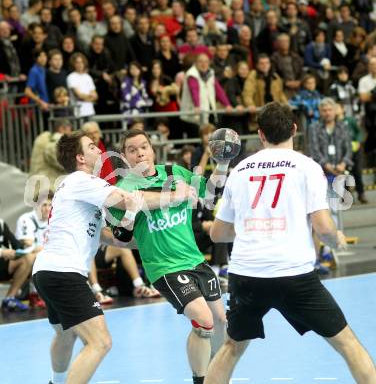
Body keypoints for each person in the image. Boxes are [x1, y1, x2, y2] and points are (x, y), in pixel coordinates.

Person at [204, 102, 376, 384]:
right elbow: (323, 227)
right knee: (348, 344)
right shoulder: (307, 167)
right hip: (294, 276)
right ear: (295, 129)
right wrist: (337, 239)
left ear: (260, 134)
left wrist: (251, 227)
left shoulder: (240, 170)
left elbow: (219, 234)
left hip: (247, 275)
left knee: (231, 348)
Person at [31, 130, 196, 384]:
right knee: (100, 342)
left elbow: (111, 237)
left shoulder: (80, 190)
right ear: (80, 158)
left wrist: (152, 242)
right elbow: (131, 200)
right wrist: (177, 196)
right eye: (92, 147)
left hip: (48, 271)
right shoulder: (82, 180)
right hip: (63, 273)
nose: (100, 150)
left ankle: (56, 380)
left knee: (66, 333)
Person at [108, 129, 228, 384]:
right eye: (132, 149)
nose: (140, 152)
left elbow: (208, 195)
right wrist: (174, 197)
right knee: (204, 319)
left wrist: (223, 164)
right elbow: (123, 234)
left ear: (152, 149)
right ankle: (201, 379)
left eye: (144, 146)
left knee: (220, 322)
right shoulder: (123, 189)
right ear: (124, 157)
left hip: (194, 260)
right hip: (165, 268)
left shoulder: (174, 173)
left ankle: (216, 376)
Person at [0, 217, 33, 311]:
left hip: (2, 265)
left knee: (28, 258)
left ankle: (9, 298)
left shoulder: (1, 223)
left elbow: (15, 243)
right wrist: (2, 252)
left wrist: (26, 247)